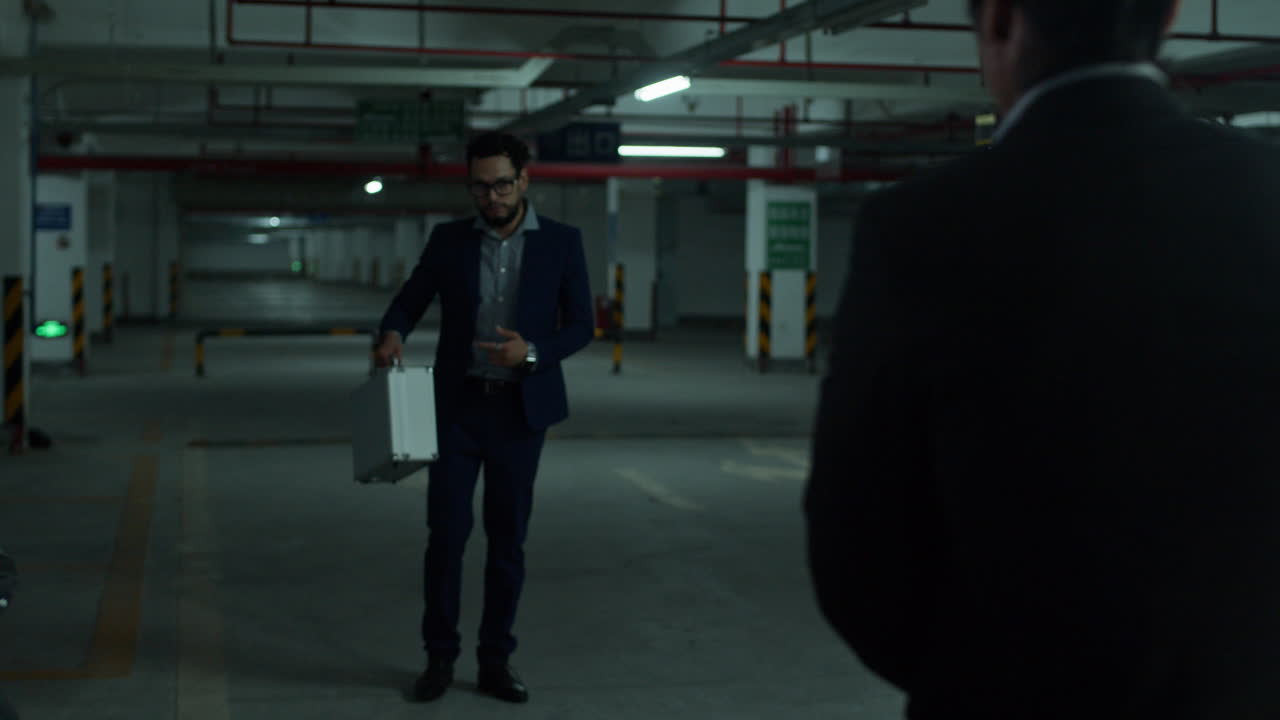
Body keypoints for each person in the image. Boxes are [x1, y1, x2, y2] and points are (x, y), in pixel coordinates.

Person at [805, 1, 1280, 718]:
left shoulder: (923, 226)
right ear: (1173, 15)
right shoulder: (1270, 195)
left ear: (1000, 19)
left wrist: (979, 673)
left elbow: (857, 542)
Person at [374, 132, 593, 705]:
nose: (491, 196)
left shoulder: (562, 244)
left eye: (501, 183)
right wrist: (392, 331)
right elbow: (411, 297)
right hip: (457, 408)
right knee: (445, 536)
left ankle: (495, 660)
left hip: (522, 413)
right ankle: (439, 658)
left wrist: (535, 352)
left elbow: (582, 326)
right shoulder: (449, 240)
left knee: (507, 540)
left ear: (524, 180)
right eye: (480, 185)